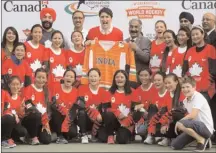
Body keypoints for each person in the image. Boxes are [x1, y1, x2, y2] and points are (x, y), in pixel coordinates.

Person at [171, 76, 214, 152]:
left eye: (188, 87)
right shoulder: (185, 101)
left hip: (206, 128)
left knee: (181, 123)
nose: (185, 89)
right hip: (196, 127)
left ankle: (201, 140)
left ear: (194, 87)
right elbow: (191, 118)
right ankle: (205, 141)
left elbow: (193, 115)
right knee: (175, 145)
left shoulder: (198, 97)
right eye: (183, 87)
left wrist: (179, 122)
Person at [102, 70, 138, 144]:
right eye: (117, 77)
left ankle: (119, 135)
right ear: (114, 79)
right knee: (108, 114)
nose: (119, 79)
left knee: (122, 140)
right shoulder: (109, 92)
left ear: (126, 79)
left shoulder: (133, 92)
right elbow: (105, 109)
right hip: (114, 121)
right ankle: (110, 135)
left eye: (122, 77)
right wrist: (117, 113)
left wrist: (127, 119)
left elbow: (135, 109)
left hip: (126, 122)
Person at [184, 25, 216, 101]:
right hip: (191, 90)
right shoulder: (189, 51)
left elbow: (213, 71)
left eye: (197, 34)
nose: (195, 37)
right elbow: (184, 70)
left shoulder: (210, 49)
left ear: (203, 34)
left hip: (205, 91)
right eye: (193, 35)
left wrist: (205, 87)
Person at [76, 68, 107, 144]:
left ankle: (94, 134)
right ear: (88, 77)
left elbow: (106, 108)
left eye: (95, 76)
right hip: (86, 118)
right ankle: (83, 134)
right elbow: (79, 103)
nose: (93, 78)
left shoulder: (104, 92)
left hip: (98, 121)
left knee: (103, 138)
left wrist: (100, 115)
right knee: (81, 112)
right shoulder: (82, 88)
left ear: (99, 77)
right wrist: (94, 111)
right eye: (91, 76)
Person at [50, 69, 78, 144]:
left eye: (71, 77)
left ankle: (57, 135)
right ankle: (59, 136)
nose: (69, 78)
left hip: (67, 119)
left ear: (74, 80)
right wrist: (62, 109)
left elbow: (75, 110)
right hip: (56, 117)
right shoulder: (56, 87)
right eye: (67, 76)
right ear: (63, 77)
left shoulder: (76, 91)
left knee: (73, 133)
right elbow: (52, 104)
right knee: (56, 112)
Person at [157, 73, 186, 146]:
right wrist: (164, 123)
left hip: (183, 120)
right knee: (158, 118)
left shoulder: (182, 93)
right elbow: (163, 111)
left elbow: (181, 112)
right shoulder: (167, 94)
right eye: (165, 83)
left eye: (169, 83)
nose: (167, 85)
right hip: (171, 120)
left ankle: (181, 137)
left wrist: (167, 122)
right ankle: (168, 138)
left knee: (176, 114)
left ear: (176, 82)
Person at [144, 71, 172, 144]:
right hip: (157, 121)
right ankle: (151, 135)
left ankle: (167, 137)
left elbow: (170, 112)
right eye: (155, 80)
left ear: (164, 81)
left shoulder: (169, 93)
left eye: (159, 80)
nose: (156, 82)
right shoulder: (153, 93)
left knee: (165, 110)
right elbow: (149, 111)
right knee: (152, 107)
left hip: (167, 121)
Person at [1, 76, 27, 148]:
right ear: (9, 85)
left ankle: (11, 138)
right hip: (4, 120)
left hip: (14, 123)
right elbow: (4, 109)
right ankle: (4, 139)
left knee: (22, 131)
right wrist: (14, 114)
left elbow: (21, 116)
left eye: (17, 84)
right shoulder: (4, 93)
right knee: (8, 117)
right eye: (13, 84)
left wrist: (22, 112)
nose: (15, 87)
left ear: (20, 85)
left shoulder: (21, 98)